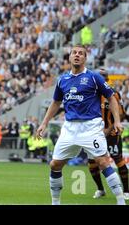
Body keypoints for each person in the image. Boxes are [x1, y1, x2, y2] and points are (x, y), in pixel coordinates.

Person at [36, 45, 126, 205]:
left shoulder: (94, 77)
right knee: (54, 164)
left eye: (81, 53)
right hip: (69, 128)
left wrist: (117, 121)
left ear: (85, 58)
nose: (77, 55)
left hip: (90, 127)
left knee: (103, 162)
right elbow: (56, 102)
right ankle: (55, 202)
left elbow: (111, 97)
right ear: (69, 57)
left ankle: (120, 200)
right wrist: (44, 123)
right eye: (74, 53)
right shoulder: (62, 80)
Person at [88, 69, 129, 200]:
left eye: (101, 77)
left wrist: (108, 128)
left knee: (118, 159)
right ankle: (100, 189)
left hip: (111, 133)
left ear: (105, 79)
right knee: (92, 163)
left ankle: (127, 190)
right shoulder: (90, 94)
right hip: (94, 134)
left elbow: (121, 114)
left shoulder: (113, 94)